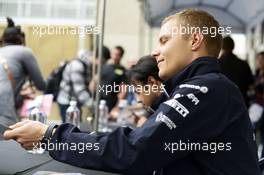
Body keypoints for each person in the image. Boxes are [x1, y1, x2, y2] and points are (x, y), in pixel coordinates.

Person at [4, 9, 260, 175]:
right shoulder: (203, 88)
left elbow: (133, 151)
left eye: (164, 41)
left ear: (194, 41)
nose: (155, 52)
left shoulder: (208, 88)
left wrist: (51, 135)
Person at [0, 17, 45, 125]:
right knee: (7, 138)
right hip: (4, 105)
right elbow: (41, 85)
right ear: (21, 39)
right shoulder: (24, 52)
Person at [126, 55, 168, 126]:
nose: (138, 100)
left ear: (152, 82)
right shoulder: (159, 106)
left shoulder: (168, 112)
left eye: (138, 92)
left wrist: (145, 128)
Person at [56, 51, 92, 122]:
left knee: (75, 125)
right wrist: (89, 102)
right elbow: (78, 88)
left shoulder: (81, 65)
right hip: (66, 101)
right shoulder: (77, 66)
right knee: (68, 127)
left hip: (73, 100)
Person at [219, 36, 254, 107]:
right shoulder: (243, 64)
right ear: (233, 47)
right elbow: (250, 84)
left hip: (221, 103)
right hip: (241, 102)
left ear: (221, 47)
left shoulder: (216, 64)